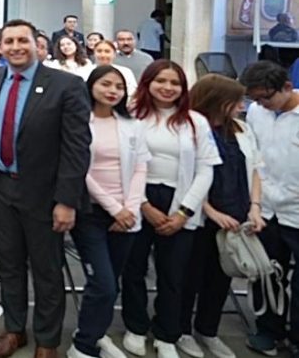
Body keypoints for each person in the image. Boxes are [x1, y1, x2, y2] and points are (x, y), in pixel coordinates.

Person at [0, 19, 91, 358]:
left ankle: (48, 341)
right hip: (0, 188)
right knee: (8, 263)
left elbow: (76, 148)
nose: (16, 47)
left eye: (23, 40)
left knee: (47, 268)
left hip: (44, 193)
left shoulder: (66, 85)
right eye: (9, 41)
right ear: (0, 47)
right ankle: (14, 329)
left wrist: (67, 200)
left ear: (38, 44)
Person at [120, 60, 219, 358]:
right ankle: (135, 327)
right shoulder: (131, 117)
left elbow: (206, 170)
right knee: (134, 270)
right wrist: (144, 205)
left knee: (174, 274)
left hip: (181, 200)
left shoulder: (195, 121)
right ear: (147, 83)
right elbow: (121, 165)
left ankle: (167, 333)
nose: (168, 88)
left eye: (175, 83)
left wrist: (183, 212)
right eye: (161, 81)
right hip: (138, 198)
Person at [66, 65, 149, 358]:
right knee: (103, 283)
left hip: (126, 215)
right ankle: (83, 347)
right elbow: (80, 171)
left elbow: (141, 166)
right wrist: (115, 209)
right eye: (106, 84)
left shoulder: (132, 124)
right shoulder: (79, 122)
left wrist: (130, 209)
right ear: (91, 86)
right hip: (91, 212)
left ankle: (92, 332)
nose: (112, 91)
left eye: (118, 86)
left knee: (108, 283)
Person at [178, 74, 264, 358]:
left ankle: (208, 331)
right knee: (189, 277)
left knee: (221, 278)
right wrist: (210, 211)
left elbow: (255, 169)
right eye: (236, 101)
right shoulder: (189, 127)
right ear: (217, 100)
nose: (242, 106)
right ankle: (181, 331)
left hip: (236, 215)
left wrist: (255, 206)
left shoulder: (240, 129)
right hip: (199, 216)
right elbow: (188, 176)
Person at [240, 61, 299, 355]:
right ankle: (268, 330)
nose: (261, 104)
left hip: (298, 210)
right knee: (267, 273)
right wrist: (254, 203)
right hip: (264, 208)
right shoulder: (256, 112)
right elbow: (253, 156)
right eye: (255, 99)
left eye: (266, 97)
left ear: (287, 87)